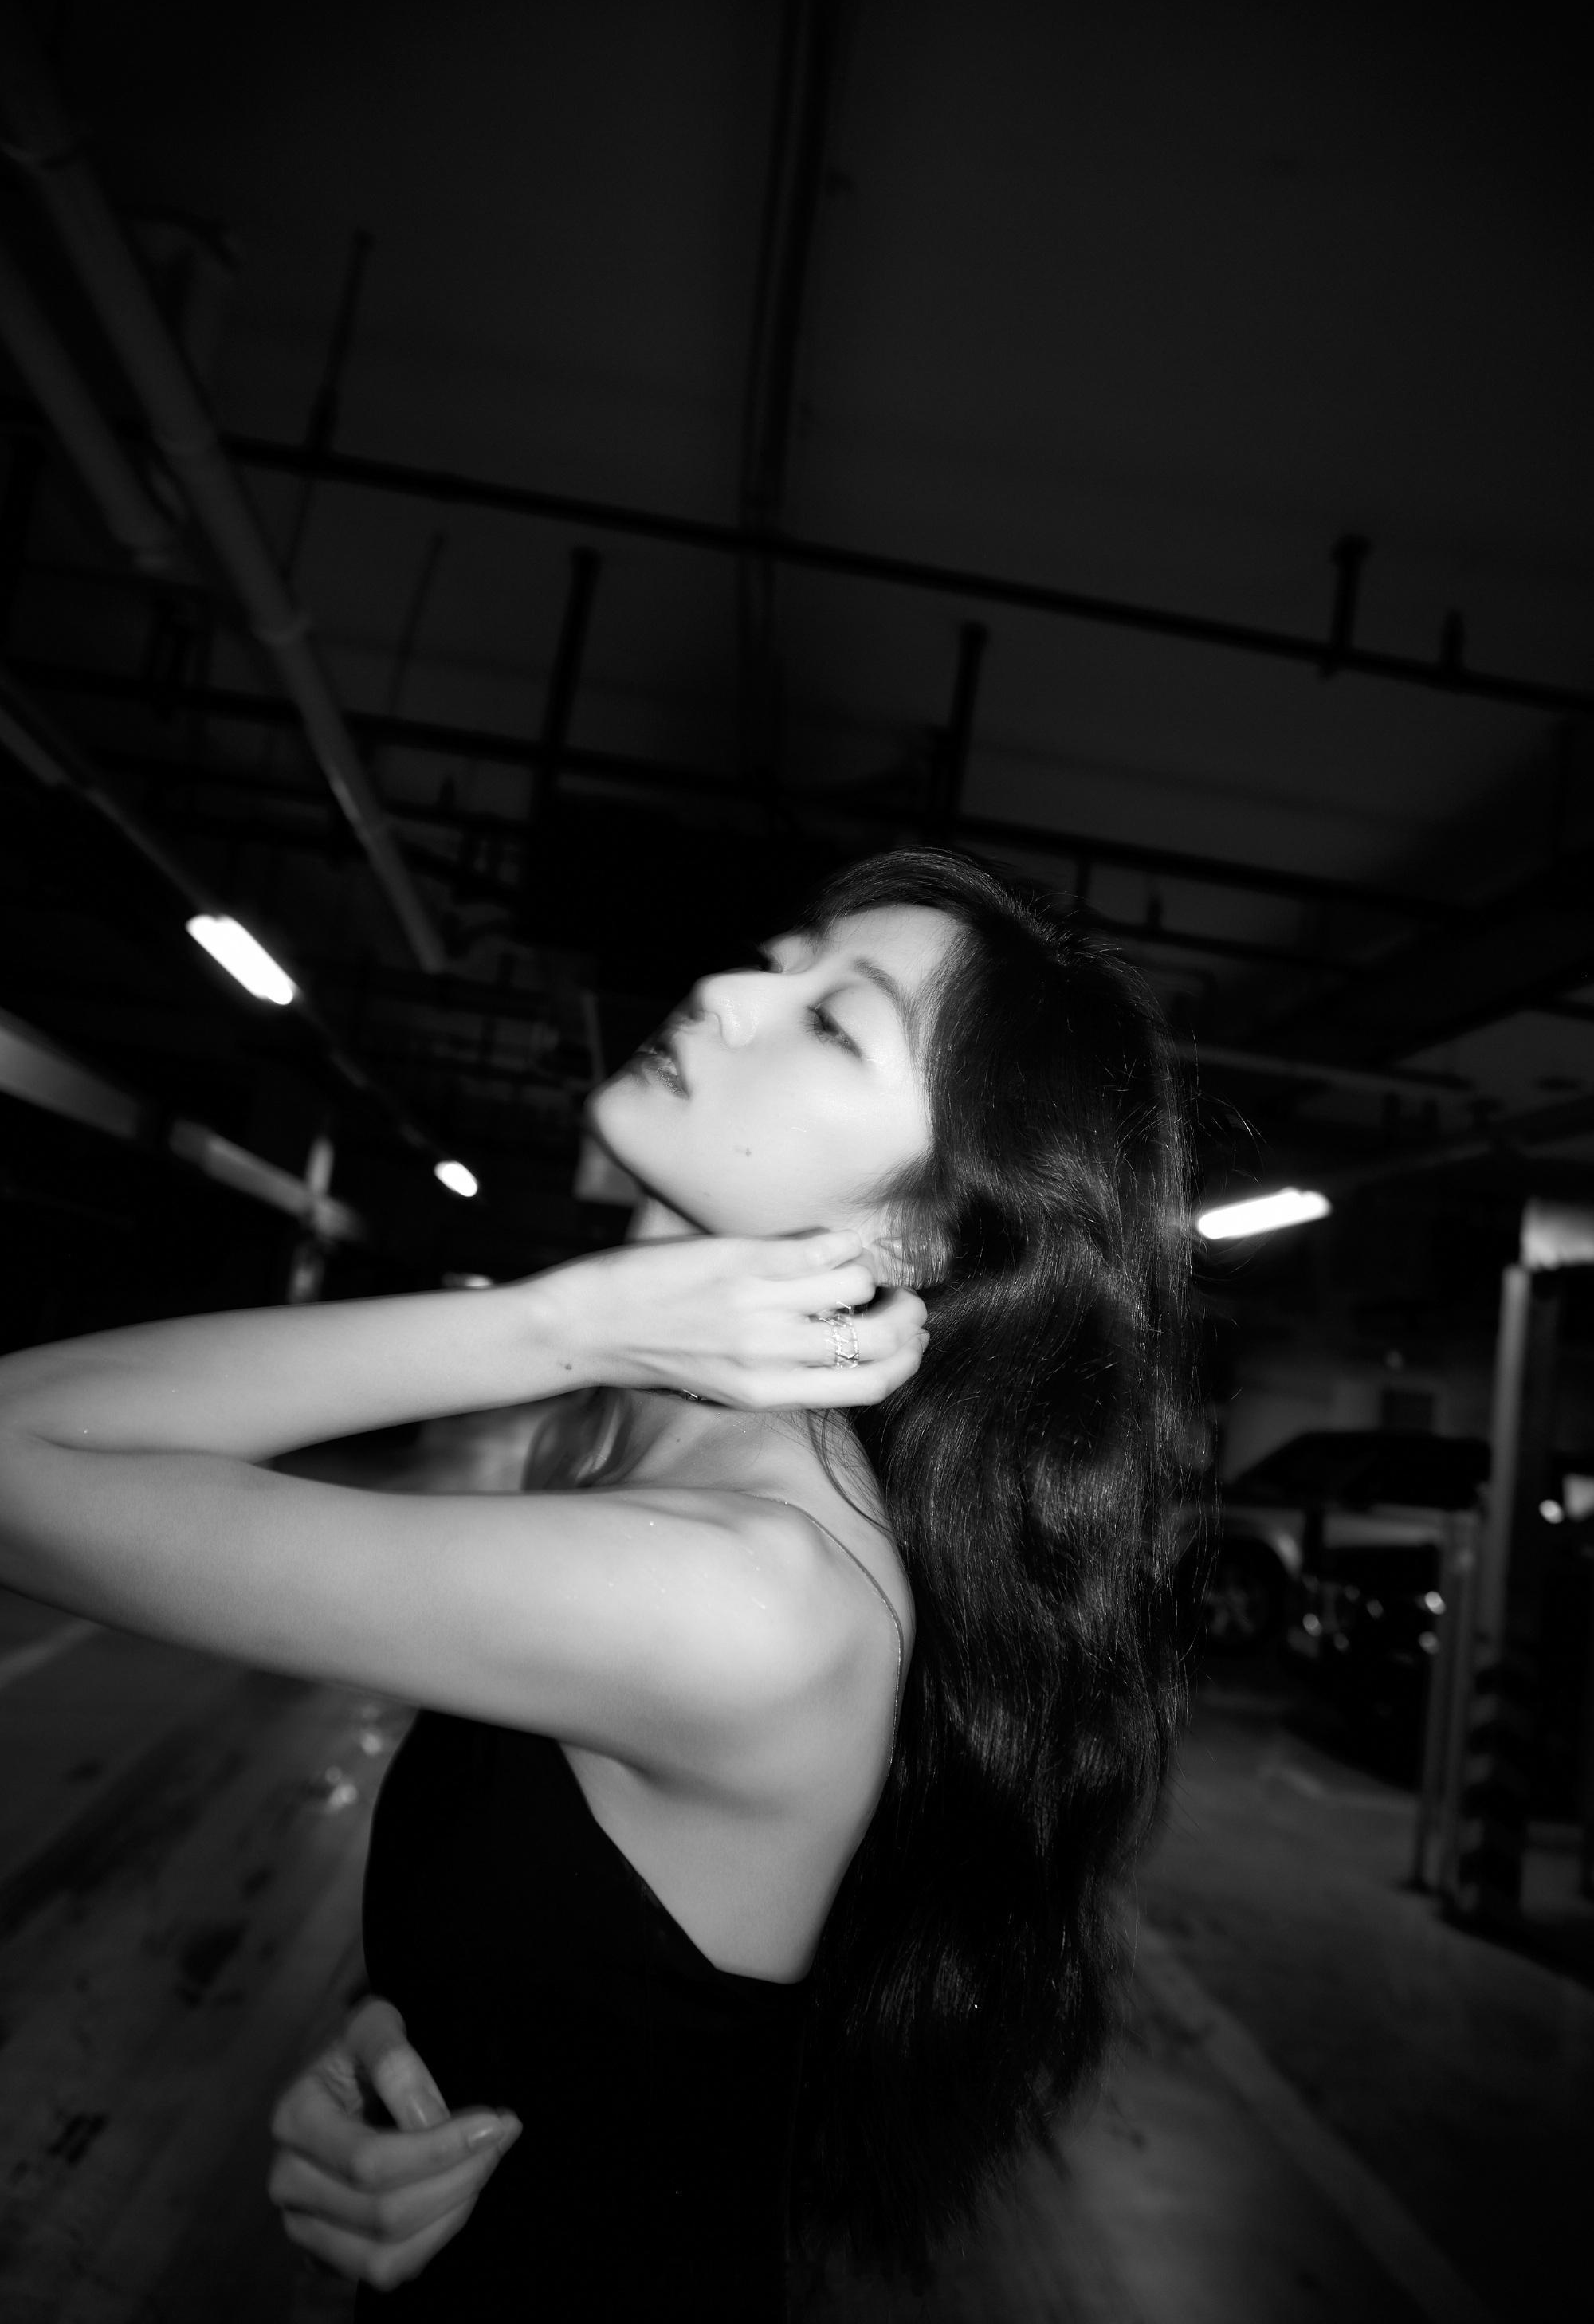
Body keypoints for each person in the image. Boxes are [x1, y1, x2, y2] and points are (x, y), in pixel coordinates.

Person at [0, 849, 1195, 2318]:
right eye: (779, 954)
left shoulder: (747, 1591)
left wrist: (550, 1322)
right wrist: (397, 2054)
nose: (730, 989)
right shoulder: (623, 1452)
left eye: (833, 1023)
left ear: (918, 1234)